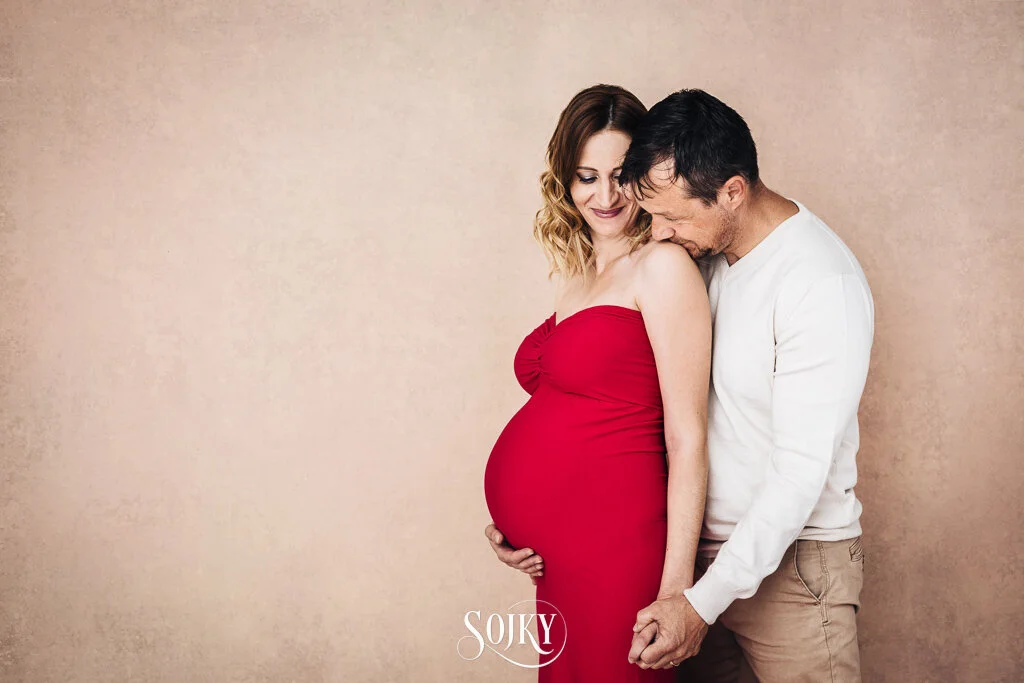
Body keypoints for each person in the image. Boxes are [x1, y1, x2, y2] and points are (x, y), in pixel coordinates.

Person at [618, 89, 874, 682]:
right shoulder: (700, 259)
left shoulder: (818, 281)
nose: (659, 234)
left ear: (732, 191)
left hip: (794, 570)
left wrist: (700, 603)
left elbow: (798, 474)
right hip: (693, 565)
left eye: (674, 216)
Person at [482, 84, 712, 682]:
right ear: (565, 179)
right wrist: (513, 525)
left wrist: (677, 592)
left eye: (620, 175)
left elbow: (687, 437)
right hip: (559, 562)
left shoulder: (663, 267)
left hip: (618, 547)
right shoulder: (581, 274)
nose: (605, 197)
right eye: (587, 177)